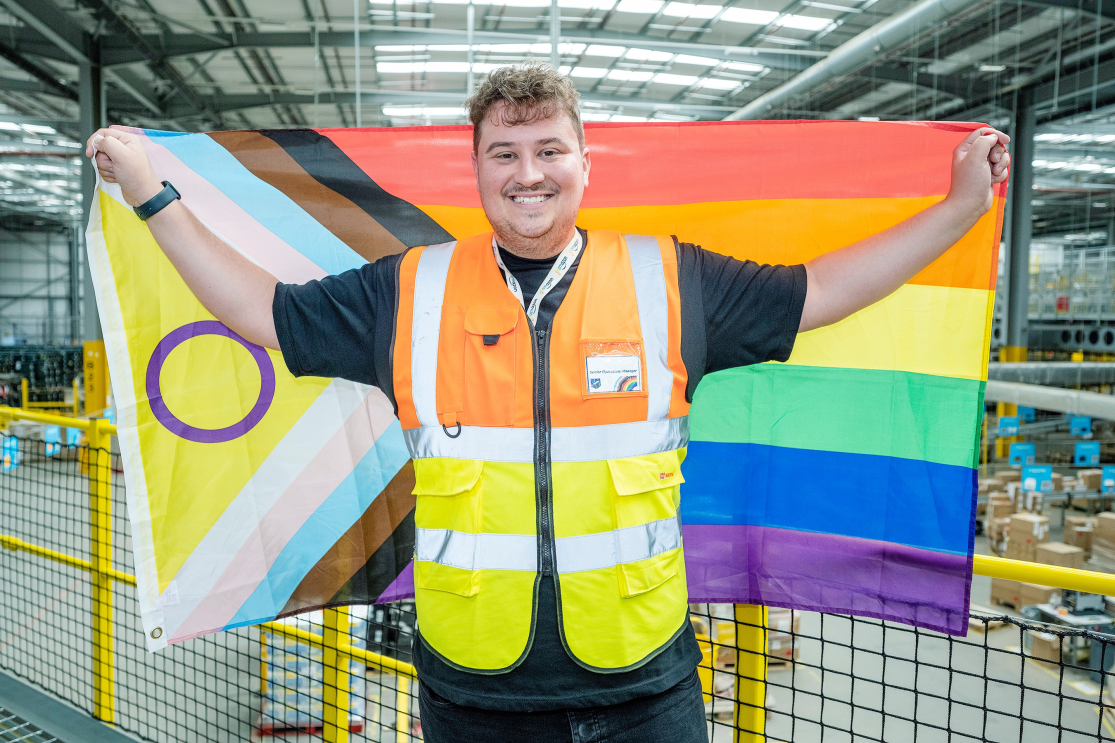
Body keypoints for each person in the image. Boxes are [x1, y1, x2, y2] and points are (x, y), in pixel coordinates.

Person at [86, 63, 1008, 743]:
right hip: (471, 694)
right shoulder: (407, 293)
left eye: (548, 150)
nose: (528, 173)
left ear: (582, 162)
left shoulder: (670, 280)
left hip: (645, 689)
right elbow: (259, 312)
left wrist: (962, 208)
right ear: (477, 169)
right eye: (505, 154)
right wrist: (153, 194)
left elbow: (823, 289)